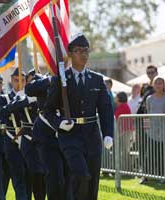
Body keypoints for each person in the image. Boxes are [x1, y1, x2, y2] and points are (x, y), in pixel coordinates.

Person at [44, 33, 114, 200]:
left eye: (86, 50)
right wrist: (59, 123)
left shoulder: (97, 80)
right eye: (78, 51)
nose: (83, 54)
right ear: (70, 54)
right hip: (70, 136)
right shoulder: (60, 80)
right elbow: (48, 110)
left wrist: (108, 133)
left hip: (92, 135)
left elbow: (105, 109)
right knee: (81, 174)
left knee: (92, 181)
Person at [25, 71, 71, 200]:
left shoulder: (73, 76)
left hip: (67, 133)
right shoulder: (43, 79)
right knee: (55, 176)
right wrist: (50, 80)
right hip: (46, 136)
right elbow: (29, 89)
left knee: (69, 177)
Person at [4, 69, 46, 200]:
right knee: (30, 176)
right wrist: (27, 100)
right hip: (28, 140)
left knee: (44, 178)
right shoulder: (21, 95)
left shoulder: (46, 94)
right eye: (31, 82)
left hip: (45, 139)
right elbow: (9, 108)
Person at [2, 68, 28, 200]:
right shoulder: (5, 98)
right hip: (12, 141)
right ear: (11, 81)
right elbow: (3, 115)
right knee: (18, 178)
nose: (19, 83)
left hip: (29, 141)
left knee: (31, 178)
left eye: (22, 80)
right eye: (16, 80)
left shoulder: (29, 96)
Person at [146, 76, 165, 179]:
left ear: (164, 85)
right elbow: (148, 112)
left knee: (164, 153)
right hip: (152, 130)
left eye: (160, 83)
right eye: (156, 83)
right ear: (153, 84)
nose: (158, 85)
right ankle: (152, 175)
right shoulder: (149, 98)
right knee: (152, 153)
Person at [114, 92, 133, 171]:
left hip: (124, 131)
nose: (115, 98)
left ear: (119, 98)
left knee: (125, 151)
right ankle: (123, 169)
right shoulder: (121, 106)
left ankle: (127, 169)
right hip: (122, 131)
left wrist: (120, 131)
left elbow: (122, 120)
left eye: (116, 97)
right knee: (122, 151)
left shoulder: (123, 106)